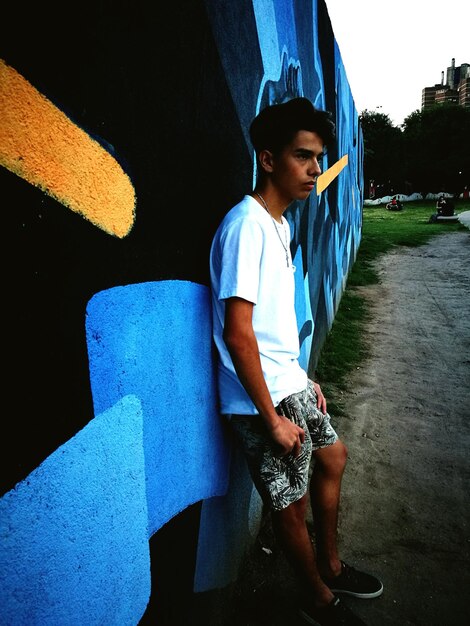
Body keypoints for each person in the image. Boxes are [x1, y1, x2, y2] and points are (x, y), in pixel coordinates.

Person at [209, 97, 383, 626]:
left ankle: (328, 565)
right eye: (303, 157)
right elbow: (239, 337)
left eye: (318, 158)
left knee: (333, 458)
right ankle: (315, 596)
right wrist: (271, 420)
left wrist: (304, 378)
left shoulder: (278, 225)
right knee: (290, 506)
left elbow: (271, 323)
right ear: (268, 159)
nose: (314, 170)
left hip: (289, 383)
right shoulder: (245, 227)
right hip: (260, 399)